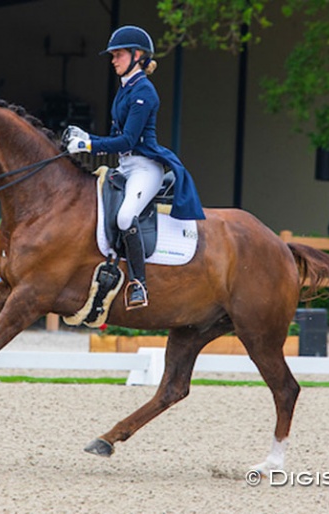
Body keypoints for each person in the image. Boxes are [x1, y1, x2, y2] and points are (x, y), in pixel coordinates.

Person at [64, 25, 205, 310]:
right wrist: (86, 138)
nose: (113, 60)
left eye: (118, 55)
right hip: (125, 166)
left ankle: (139, 283)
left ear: (137, 55)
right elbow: (118, 137)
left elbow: (128, 139)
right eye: (113, 55)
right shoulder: (125, 88)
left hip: (144, 169)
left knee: (126, 217)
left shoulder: (145, 92)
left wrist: (89, 145)